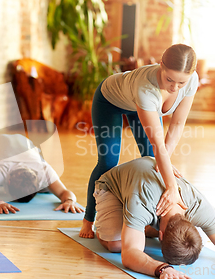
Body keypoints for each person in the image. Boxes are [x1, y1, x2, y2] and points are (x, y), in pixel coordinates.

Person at [80, 44, 199, 238]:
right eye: (169, 79)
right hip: (109, 102)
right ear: (161, 65)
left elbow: (177, 125)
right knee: (108, 162)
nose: (174, 87)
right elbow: (158, 143)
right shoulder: (146, 88)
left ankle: (152, 220)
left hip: (138, 104)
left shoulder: (192, 80)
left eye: (181, 83)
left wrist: (164, 165)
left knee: (155, 163)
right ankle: (88, 219)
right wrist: (171, 187)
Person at [94, 156, 215, 279]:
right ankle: (130, 227)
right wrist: (162, 268)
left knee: (137, 231)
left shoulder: (199, 208)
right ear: (161, 235)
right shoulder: (142, 202)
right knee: (116, 245)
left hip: (144, 182)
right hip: (111, 187)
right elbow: (129, 254)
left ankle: (137, 227)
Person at [0, 134, 83, 214]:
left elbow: (64, 192)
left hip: (26, 144)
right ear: (7, 182)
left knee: (51, 187)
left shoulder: (43, 169)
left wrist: (70, 201)